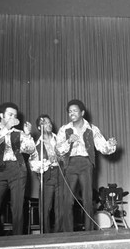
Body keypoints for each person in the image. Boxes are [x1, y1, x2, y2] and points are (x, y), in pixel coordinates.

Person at [56, 99, 117, 231]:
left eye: (75, 110)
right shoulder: (64, 129)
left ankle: (89, 232)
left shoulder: (92, 129)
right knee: (67, 200)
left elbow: (103, 147)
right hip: (70, 164)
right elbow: (58, 150)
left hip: (86, 164)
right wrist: (68, 142)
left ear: (82, 112)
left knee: (87, 199)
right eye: (70, 111)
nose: (72, 113)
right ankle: (68, 233)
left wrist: (111, 145)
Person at [0, 102, 35, 236]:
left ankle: (17, 240)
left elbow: (30, 150)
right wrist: (6, 128)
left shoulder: (19, 133)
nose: (13, 117)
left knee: (17, 207)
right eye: (10, 114)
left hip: (17, 169)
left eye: (15, 115)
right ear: (1, 115)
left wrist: (28, 135)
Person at [29, 115, 62, 233]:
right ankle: (46, 236)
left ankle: (60, 235)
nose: (48, 124)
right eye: (44, 123)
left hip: (61, 174)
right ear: (39, 127)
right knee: (45, 208)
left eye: (49, 122)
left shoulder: (60, 139)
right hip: (47, 176)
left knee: (61, 208)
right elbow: (33, 165)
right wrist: (46, 163)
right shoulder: (36, 145)